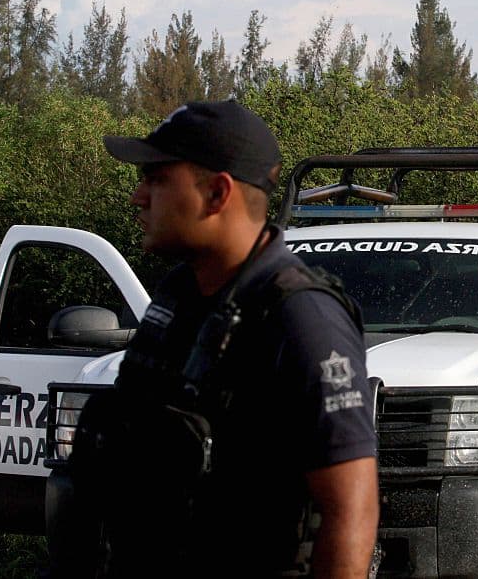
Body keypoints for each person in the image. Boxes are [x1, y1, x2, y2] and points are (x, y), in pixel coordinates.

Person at [48, 101, 378, 577]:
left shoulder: (302, 317)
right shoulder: (179, 294)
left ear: (217, 193)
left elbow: (352, 509)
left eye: (157, 178)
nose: (138, 196)